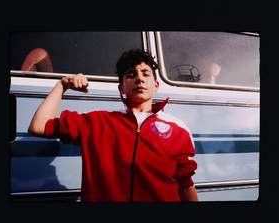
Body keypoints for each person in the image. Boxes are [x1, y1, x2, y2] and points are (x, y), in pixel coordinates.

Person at [28, 49, 198, 202]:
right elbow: (39, 126)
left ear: (156, 85)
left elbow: (185, 184)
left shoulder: (177, 128)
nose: (139, 78)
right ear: (121, 88)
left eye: (146, 74)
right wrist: (61, 85)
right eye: (131, 74)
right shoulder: (96, 123)